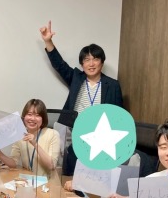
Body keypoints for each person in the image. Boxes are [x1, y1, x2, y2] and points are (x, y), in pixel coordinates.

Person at [39, 21, 123, 175]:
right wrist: (48, 41)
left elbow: (118, 116)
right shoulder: (76, 78)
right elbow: (60, 65)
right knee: (69, 170)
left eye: (95, 59)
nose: (91, 64)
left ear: (102, 62)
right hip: (73, 132)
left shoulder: (113, 85)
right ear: (82, 64)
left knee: (93, 173)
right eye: (86, 60)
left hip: (99, 136)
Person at [0, 99, 60, 177]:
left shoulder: (53, 134)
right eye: (29, 114)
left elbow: (51, 166)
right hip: (27, 180)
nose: (32, 118)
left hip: (47, 182)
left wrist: (35, 144)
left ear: (43, 118)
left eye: (37, 115)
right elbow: (13, 163)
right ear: (24, 117)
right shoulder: (20, 135)